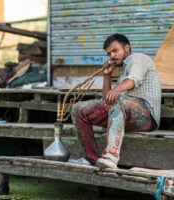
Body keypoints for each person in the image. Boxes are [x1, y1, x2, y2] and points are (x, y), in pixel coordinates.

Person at [69, 33, 161, 169]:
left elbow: (134, 80)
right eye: (109, 54)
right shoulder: (122, 73)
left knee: (119, 100)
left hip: (146, 117)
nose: (112, 56)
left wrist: (117, 90)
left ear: (127, 48)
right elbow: (107, 101)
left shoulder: (138, 58)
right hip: (124, 113)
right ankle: (91, 159)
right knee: (79, 108)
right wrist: (107, 76)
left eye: (115, 50)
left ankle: (111, 158)